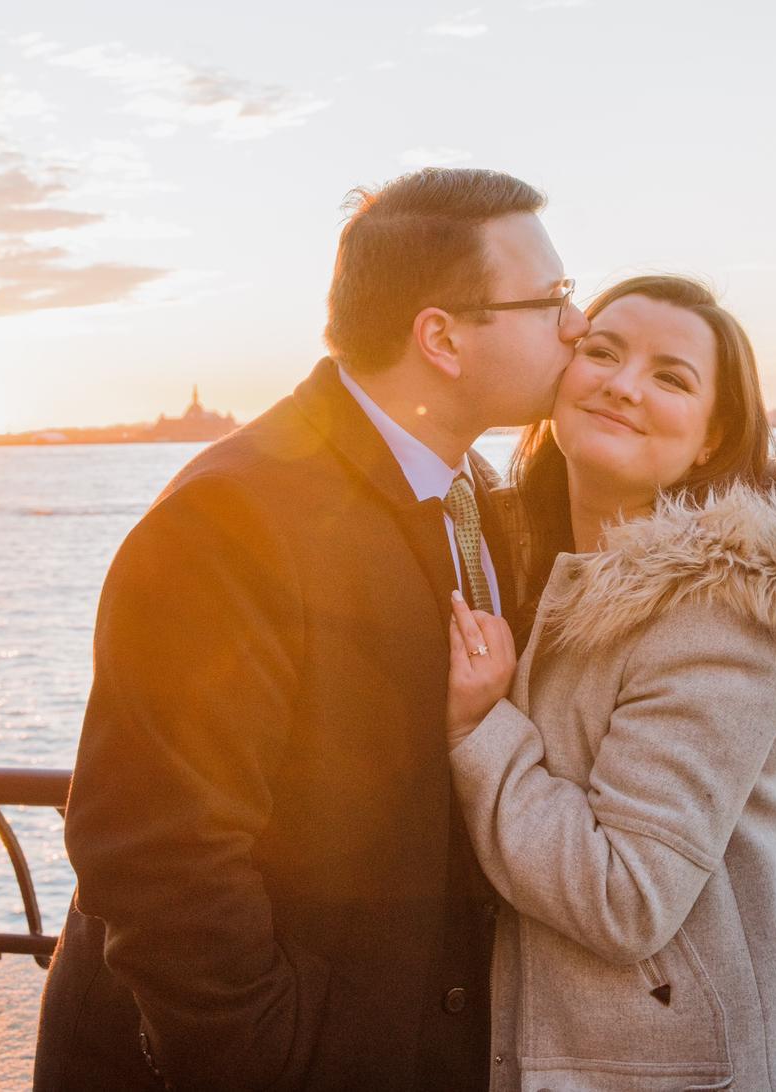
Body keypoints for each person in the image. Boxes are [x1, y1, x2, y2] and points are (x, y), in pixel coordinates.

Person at [34, 168, 587, 1091]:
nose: (578, 325)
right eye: (553, 301)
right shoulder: (232, 518)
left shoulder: (477, 497)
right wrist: (273, 1056)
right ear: (442, 337)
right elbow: (158, 850)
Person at [444, 275, 776, 1092]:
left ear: (712, 437)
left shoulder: (719, 613)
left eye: (671, 377)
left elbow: (627, 898)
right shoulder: (531, 566)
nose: (622, 384)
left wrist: (479, 731)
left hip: (696, 1068)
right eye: (602, 353)